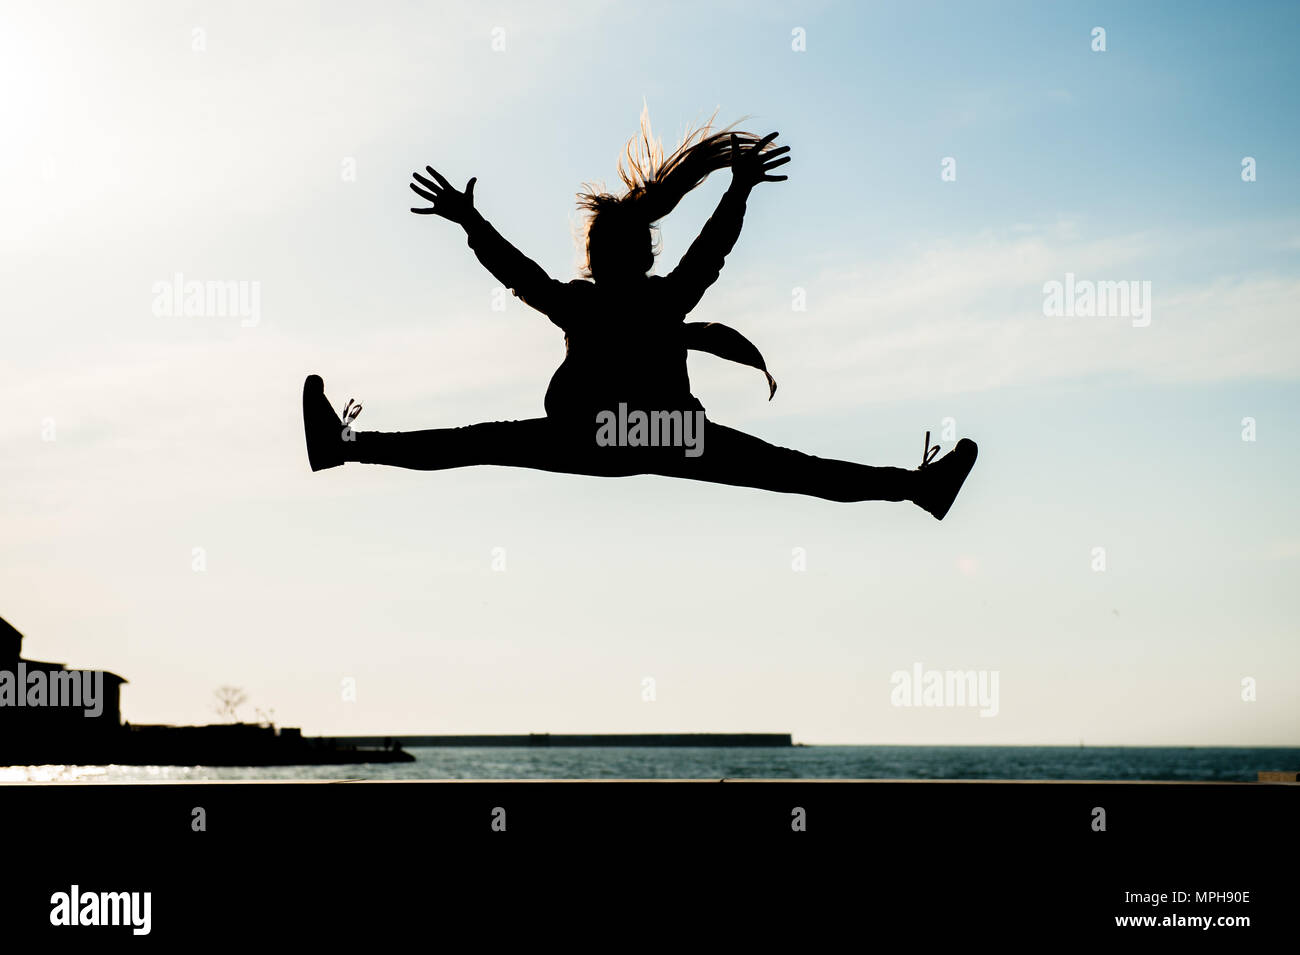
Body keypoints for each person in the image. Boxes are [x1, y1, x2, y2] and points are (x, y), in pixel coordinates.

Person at [303, 113, 977, 518]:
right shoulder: (662, 297)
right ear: (642, 255)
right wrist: (740, 190)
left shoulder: (587, 300)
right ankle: (919, 490)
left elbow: (521, 273)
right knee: (797, 468)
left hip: (593, 435)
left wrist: (471, 222)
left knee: (472, 441)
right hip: (663, 432)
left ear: (599, 258)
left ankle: (345, 447)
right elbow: (710, 252)